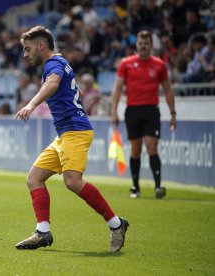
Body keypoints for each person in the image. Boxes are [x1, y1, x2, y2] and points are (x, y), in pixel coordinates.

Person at [15, 25, 129, 252]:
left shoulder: (53, 64)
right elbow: (63, 85)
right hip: (65, 134)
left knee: (73, 182)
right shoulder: (58, 63)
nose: (25, 55)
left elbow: (53, 83)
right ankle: (43, 231)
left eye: (27, 49)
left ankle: (117, 225)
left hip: (75, 132)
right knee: (34, 178)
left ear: (40, 46)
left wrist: (31, 103)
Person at [111, 30, 177, 199]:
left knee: (151, 147)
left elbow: (168, 90)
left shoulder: (159, 65)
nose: (143, 46)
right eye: (140, 43)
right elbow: (117, 89)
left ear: (151, 46)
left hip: (151, 110)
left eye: (146, 43)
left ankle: (158, 186)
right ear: (137, 45)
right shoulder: (126, 64)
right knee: (135, 149)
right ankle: (135, 187)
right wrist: (114, 111)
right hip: (132, 110)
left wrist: (173, 113)